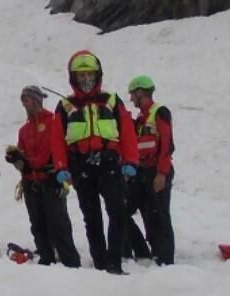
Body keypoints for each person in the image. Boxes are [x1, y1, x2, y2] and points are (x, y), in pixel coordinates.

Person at [53, 50, 139, 275]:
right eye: (81, 75)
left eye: (89, 74)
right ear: (73, 78)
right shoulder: (65, 106)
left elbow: (127, 132)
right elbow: (57, 140)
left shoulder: (111, 101)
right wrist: (61, 167)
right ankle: (100, 262)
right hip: (80, 166)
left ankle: (114, 262)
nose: (86, 79)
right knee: (92, 218)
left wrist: (131, 161)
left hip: (109, 164)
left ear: (97, 75)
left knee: (118, 212)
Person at [5, 86, 81, 267]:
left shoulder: (54, 122)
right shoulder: (24, 130)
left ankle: (71, 262)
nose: (24, 104)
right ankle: (46, 260)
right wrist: (16, 158)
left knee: (59, 222)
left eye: (26, 100)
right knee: (37, 224)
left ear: (36, 100)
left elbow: (62, 149)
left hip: (51, 178)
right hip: (30, 181)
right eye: (23, 100)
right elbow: (22, 155)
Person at [124, 75, 176, 266]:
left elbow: (167, 145)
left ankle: (165, 259)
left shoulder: (160, 112)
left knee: (159, 215)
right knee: (128, 211)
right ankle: (145, 251)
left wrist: (161, 173)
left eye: (132, 94)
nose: (131, 98)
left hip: (156, 171)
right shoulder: (141, 118)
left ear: (140, 92)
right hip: (141, 171)